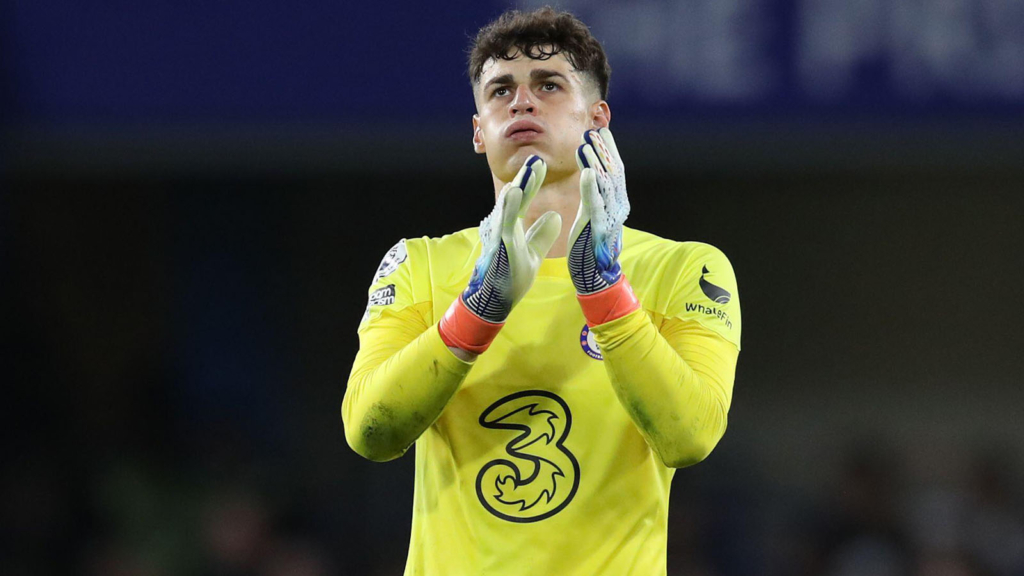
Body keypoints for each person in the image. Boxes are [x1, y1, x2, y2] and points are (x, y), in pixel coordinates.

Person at [342, 7, 741, 575]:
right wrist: (479, 311)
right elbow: (369, 432)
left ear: (597, 119)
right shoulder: (419, 266)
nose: (521, 101)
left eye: (548, 85)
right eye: (500, 90)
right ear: (479, 130)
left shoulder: (684, 269)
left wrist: (603, 287)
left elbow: (689, 438)